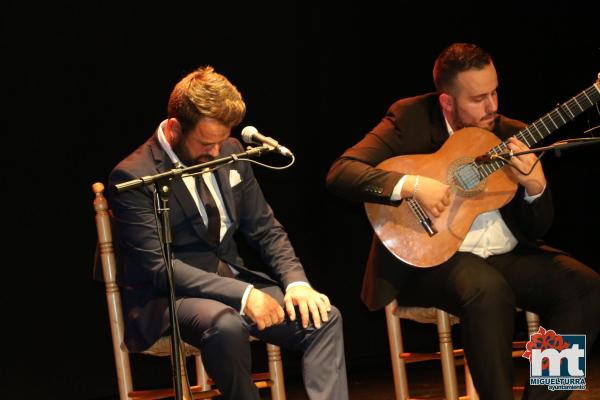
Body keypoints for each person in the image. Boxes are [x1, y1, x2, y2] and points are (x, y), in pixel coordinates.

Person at [326, 43, 600, 399]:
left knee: (587, 288)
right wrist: (411, 185)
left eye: (495, 92)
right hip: (427, 258)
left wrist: (536, 188)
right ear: (447, 102)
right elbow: (341, 174)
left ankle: (545, 396)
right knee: (487, 290)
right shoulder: (409, 118)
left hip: (504, 255)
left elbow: (537, 229)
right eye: (478, 99)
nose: (493, 107)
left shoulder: (508, 134)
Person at [109, 66, 348, 400]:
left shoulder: (233, 151)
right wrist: (245, 295)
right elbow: (161, 269)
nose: (217, 152)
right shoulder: (134, 175)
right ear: (176, 127)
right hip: (168, 296)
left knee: (323, 317)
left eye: (223, 141)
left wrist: (297, 283)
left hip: (232, 281)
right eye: (207, 142)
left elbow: (265, 229)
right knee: (226, 325)